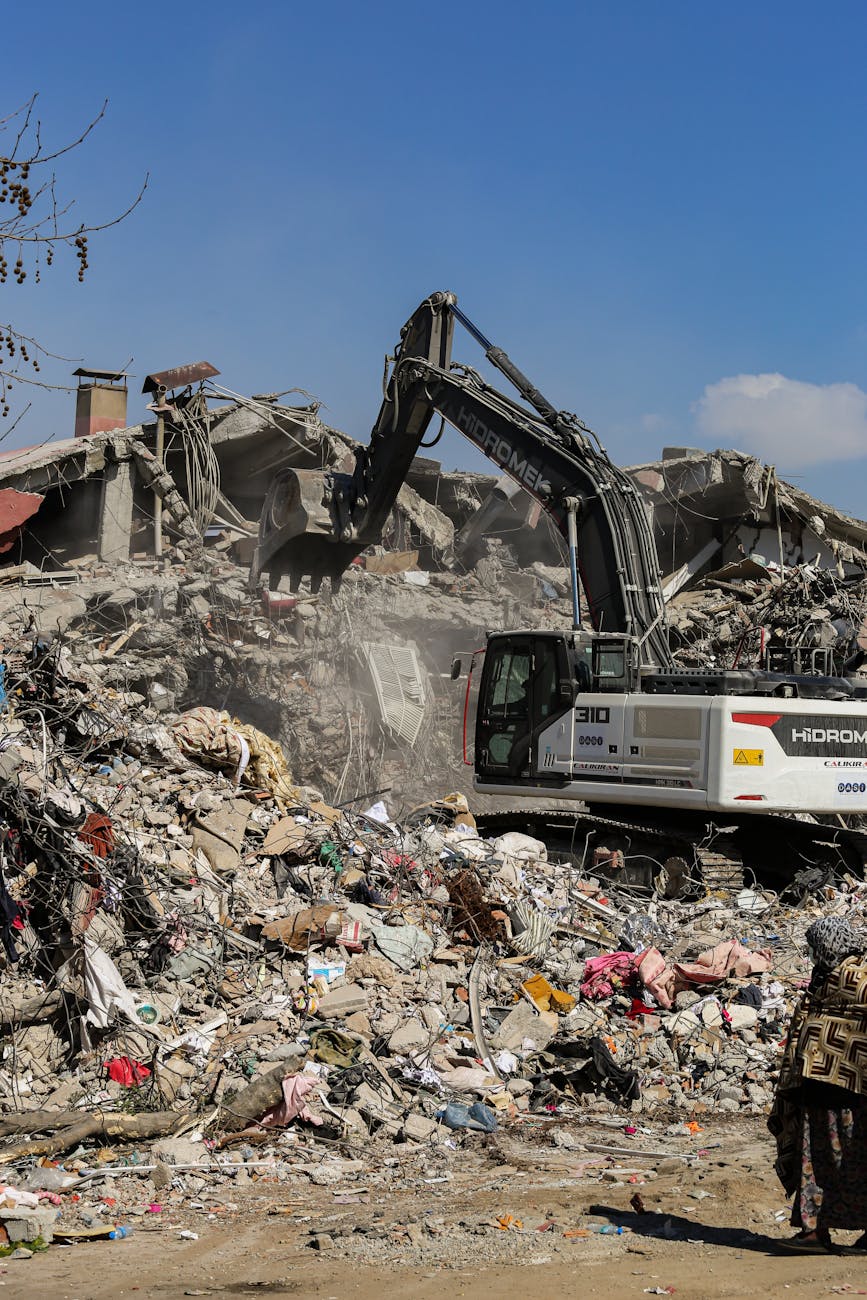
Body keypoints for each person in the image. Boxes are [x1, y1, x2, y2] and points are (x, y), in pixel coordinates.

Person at [769, 917, 867, 1253]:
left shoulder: (856, 977)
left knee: (835, 1158)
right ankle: (814, 1231)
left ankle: (816, 1231)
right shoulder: (824, 978)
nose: (811, 954)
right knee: (824, 1159)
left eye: (814, 946)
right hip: (823, 1084)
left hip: (849, 1086)